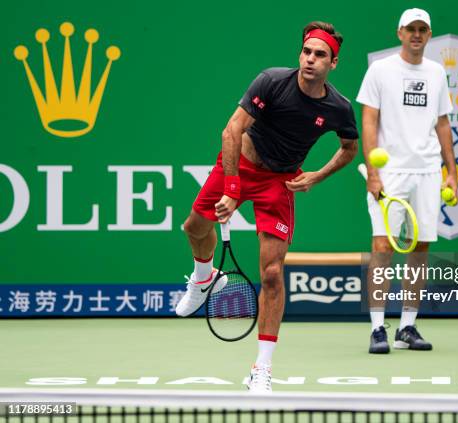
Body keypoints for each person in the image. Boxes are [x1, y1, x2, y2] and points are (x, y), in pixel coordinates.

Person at [176, 21, 359, 391]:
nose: (310, 60)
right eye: (306, 52)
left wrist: (317, 176)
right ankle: (205, 277)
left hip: (280, 182)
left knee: (273, 274)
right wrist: (231, 188)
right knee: (194, 227)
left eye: (320, 55)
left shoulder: (339, 107)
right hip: (240, 164)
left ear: (333, 63)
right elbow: (232, 130)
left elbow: (349, 148)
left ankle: (261, 369)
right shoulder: (272, 82)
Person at [356, 8, 458, 354]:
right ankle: (377, 328)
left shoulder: (436, 72)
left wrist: (452, 172)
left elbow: (442, 123)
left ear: (429, 35)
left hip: (428, 172)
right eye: (411, 29)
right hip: (390, 173)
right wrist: (372, 171)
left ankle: (408, 326)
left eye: (423, 30)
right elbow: (369, 121)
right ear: (399, 32)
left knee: (420, 248)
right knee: (382, 248)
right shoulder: (380, 70)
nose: (417, 34)